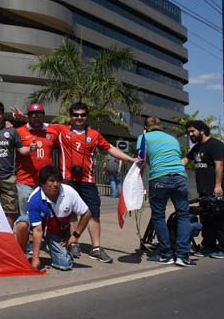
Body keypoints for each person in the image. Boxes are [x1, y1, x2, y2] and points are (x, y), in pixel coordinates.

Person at [52, 102, 138, 263]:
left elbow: (110, 148)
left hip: (88, 180)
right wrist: (23, 119)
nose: (79, 117)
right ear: (71, 116)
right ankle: (73, 243)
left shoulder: (94, 134)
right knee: (71, 213)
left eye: (82, 115)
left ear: (86, 116)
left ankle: (96, 248)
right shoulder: (61, 130)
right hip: (68, 179)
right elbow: (40, 127)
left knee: (94, 213)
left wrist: (130, 159)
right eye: (76, 114)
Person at [141, 117, 195, 267]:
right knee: (183, 215)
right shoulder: (172, 139)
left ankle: (166, 254)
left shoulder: (144, 137)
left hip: (159, 178)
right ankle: (183, 255)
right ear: (161, 127)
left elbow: (141, 160)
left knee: (158, 216)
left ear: (146, 127)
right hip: (179, 177)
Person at [15, 166, 92, 271]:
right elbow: (37, 230)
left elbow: (87, 213)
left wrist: (75, 236)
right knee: (22, 224)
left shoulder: (69, 192)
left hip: (54, 230)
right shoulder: (34, 198)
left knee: (65, 264)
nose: (55, 184)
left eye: (58, 181)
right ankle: (22, 255)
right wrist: (35, 259)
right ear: (42, 183)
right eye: (51, 181)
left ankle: (52, 247)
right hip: (38, 227)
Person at [183, 120, 224, 259]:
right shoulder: (197, 148)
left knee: (222, 220)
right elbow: (185, 161)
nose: (190, 134)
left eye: (192, 131)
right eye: (189, 132)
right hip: (204, 191)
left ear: (202, 131)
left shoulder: (216, 145)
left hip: (218, 189)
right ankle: (208, 246)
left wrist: (218, 186)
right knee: (206, 219)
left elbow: (219, 165)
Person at [14, 103, 58, 218]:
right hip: (25, 181)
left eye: (39, 115)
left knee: (47, 214)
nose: (36, 118)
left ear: (43, 116)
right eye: (33, 115)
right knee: (26, 216)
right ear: (28, 116)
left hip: (46, 182)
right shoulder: (19, 132)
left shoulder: (52, 132)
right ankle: (26, 236)